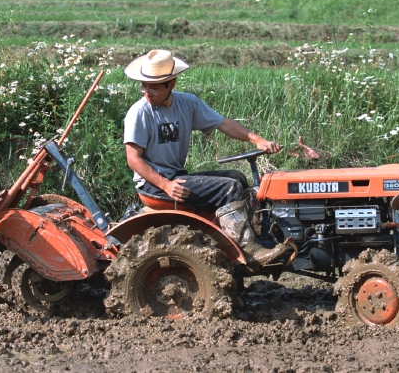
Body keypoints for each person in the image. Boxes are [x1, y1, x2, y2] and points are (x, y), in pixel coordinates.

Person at [123, 49, 288, 267]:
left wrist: (256, 140)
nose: (146, 91)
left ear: (171, 84)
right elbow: (133, 159)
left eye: (153, 86)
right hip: (155, 184)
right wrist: (166, 185)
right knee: (228, 189)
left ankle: (256, 235)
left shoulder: (187, 103)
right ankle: (248, 252)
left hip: (175, 176)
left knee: (236, 177)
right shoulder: (139, 113)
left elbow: (223, 123)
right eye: (144, 85)